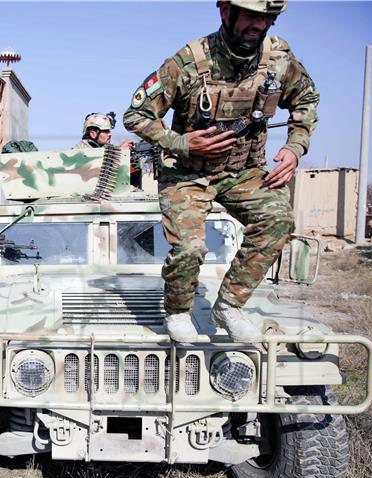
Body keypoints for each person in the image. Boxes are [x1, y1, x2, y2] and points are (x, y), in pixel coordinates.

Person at [123, 0, 318, 343]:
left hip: (242, 171)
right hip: (187, 173)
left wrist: (293, 148)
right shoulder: (188, 62)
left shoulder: (278, 61)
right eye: (252, 17)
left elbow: (305, 101)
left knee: (278, 220)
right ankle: (178, 311)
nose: (259, 26)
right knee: (190, 248)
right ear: (225, 12)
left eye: (266, 20)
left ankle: (228, 305)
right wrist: (180, 142)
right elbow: (135, 116)